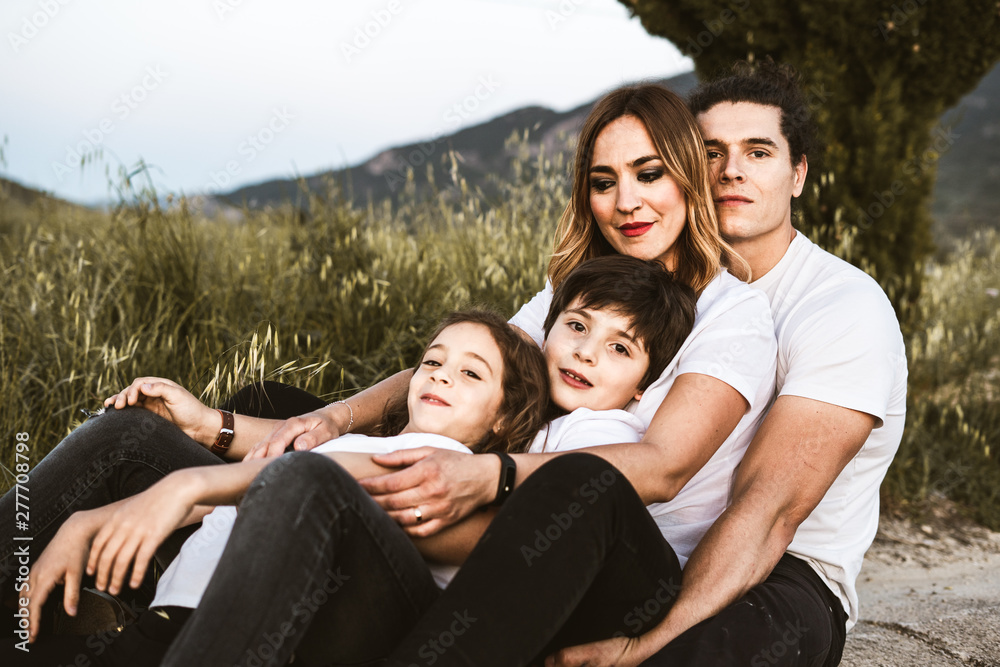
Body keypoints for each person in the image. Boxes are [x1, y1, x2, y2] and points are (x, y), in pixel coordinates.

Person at [382, 62, 908, 667]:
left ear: (798, 173)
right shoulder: (632, 282)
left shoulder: (840, 305)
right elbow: (481, 363)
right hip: (635, 545)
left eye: (758, 152)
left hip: (786, 573)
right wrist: (335, 419)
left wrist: (650, 644)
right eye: (711, 153)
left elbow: (769, 508)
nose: (731, 170)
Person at [237, 83, 778, 663]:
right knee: (271, 403)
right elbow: (474, 363)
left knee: (579, 485)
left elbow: (664, 467)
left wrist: (487, 474)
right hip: (511, 530)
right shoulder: (576, 287)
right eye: (603, 182)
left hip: (624, 562)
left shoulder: (734, 314)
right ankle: (190, 594)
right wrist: (328, 417)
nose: (626, 202)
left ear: (689, 178)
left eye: (649, 175)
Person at [14, 256, 698, 666]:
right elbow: (307, 440)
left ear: (643, 383)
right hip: (218, 583)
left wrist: (189, 482)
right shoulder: (495, 414)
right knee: (132, 431)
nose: (583, 352)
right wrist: (204, 430)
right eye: (576, 326)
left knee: (306, 478)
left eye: (619, 347)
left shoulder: (595, 437)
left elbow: (362, 483)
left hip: (378, 602)